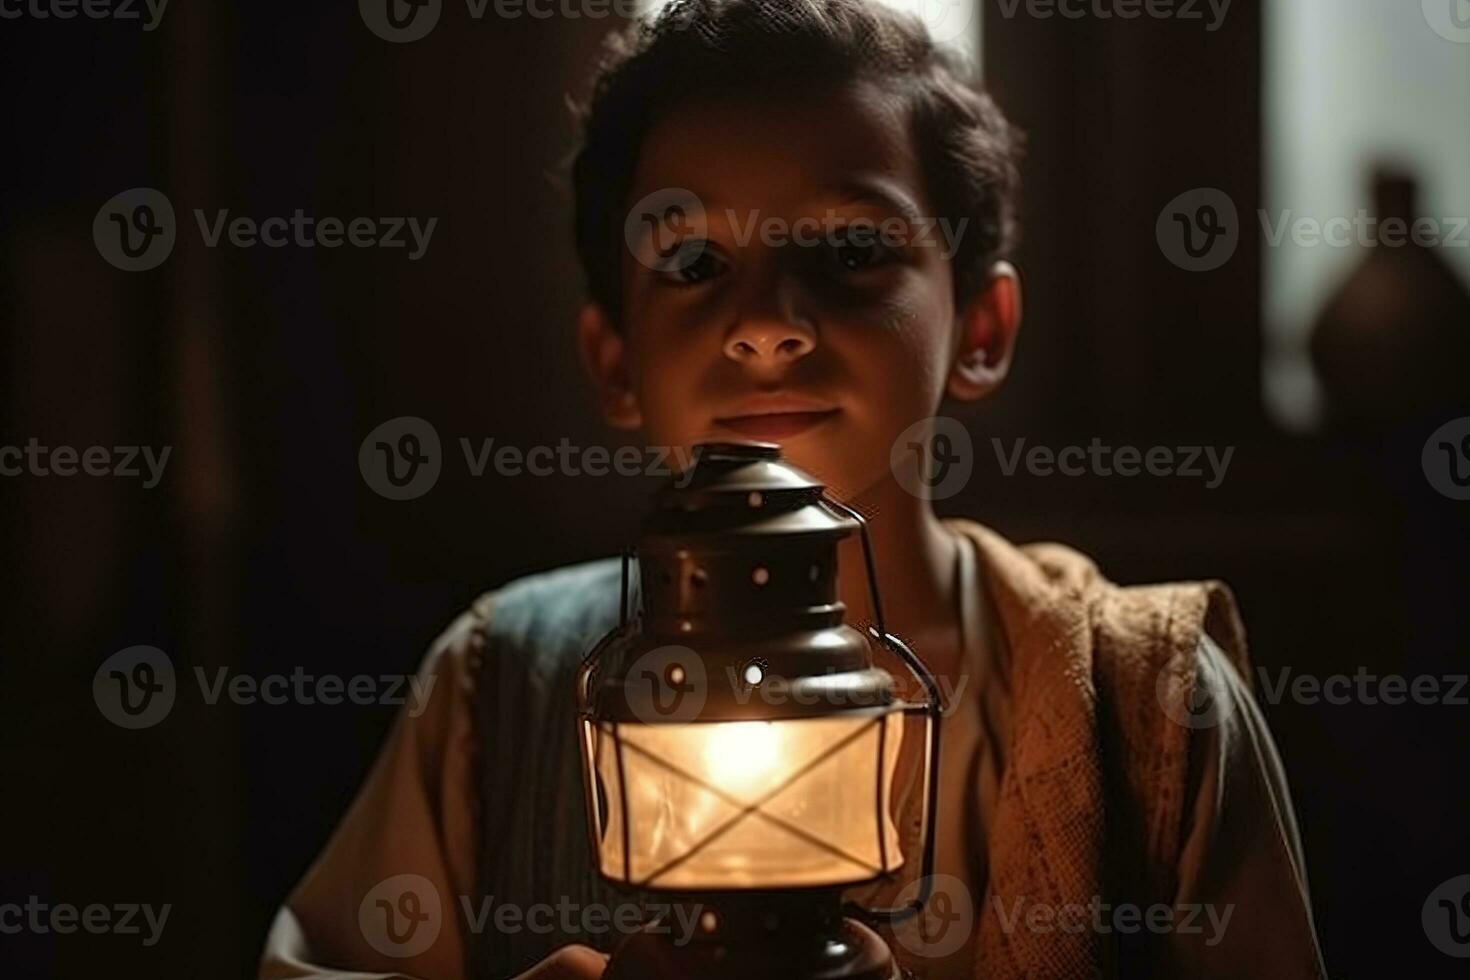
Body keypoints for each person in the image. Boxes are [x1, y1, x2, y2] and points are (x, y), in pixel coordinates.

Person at [259, 1, 1326, 977]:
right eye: (691, 264)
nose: (766, 324)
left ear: (982, 329)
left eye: (853, 249)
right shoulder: (499, 685)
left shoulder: (1146, 705)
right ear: (615, 361)